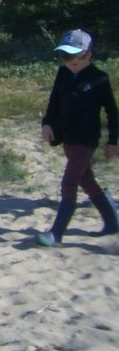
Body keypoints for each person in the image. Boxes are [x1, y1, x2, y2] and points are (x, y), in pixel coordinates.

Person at [36, 29, 118, 246]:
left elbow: (112, 112)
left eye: (73, 56)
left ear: (88, 55)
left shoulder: (99, 79)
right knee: (86, 179)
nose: (68, 60)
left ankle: (56, 233)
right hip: (67, 137)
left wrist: (112, 141)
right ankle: (112, 221)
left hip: (87, 138)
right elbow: (54, 101)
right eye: (64, 55)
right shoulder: (63, 74)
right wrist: (47, 123)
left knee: (69, 182)